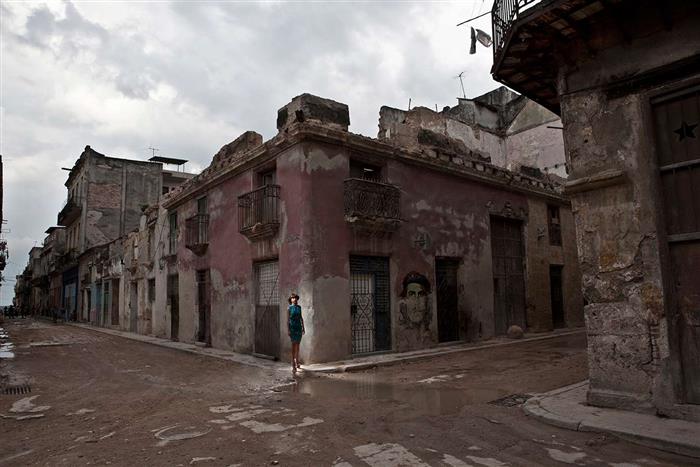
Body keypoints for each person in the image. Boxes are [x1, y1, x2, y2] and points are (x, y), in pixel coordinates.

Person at [287, 293, 305, 374]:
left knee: (298, 346)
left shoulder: (299, 307)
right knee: (293, 346)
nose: (294, 299)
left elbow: (301, 318)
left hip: (298, 328)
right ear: (290, 300)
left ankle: (297, 361)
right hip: (292, 328)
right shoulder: (289, 308)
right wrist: (288, 330)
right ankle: (293, 363)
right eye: (292, 298)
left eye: (295, 298)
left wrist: (303, 328)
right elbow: (288, 320)